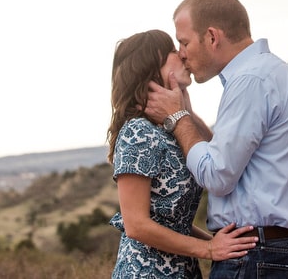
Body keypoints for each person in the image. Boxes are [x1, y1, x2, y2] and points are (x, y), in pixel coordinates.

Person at [145, 0, 288, 279]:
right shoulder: (273, 72)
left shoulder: (250, 81)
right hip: (273, 250)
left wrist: (177, 119)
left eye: (185, 41)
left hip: (255, 256)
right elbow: (229, 156)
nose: (181, 52)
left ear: (212, 37)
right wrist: (185, 113)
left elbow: (217, 175)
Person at [107, 29, 258, 278]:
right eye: (173, 51)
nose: (183, 55)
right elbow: (136, 225)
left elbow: (218, 159)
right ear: (152, 67)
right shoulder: (138, 131)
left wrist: (216, 243)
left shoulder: (169, 129)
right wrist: (209, 248)